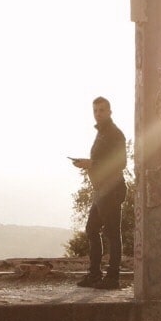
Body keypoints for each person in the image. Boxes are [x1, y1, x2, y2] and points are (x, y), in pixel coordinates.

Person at [70, 96, 127, 289]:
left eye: (102, 110)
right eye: (95, 110)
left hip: (112, 189)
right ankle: (95, 274)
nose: (98, 114)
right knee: (92, 229)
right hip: (100, 190)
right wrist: (86, 163)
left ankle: (113, 278)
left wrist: (92, 164)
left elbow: (121, 163)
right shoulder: (101, 133)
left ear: (110, 112)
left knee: (112, 234)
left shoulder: (115, 134)